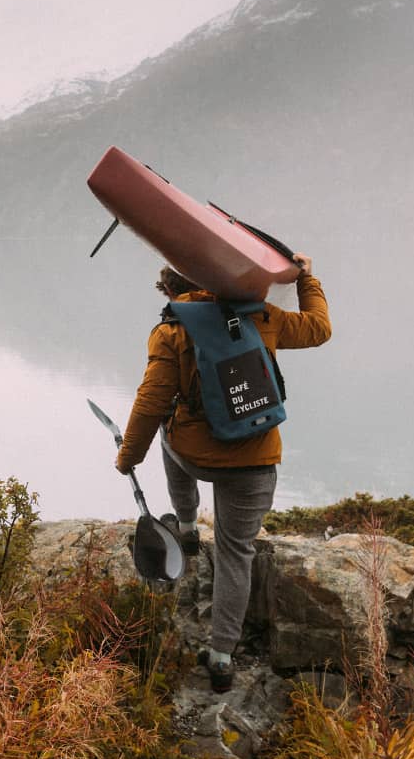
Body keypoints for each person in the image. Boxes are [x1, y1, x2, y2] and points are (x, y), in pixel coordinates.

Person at [115, 255, 330, 692]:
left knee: (167, 432)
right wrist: (307, 277)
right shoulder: (261, 316)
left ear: (172, 292)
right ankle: (221, 656)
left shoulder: (171, 330)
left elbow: (152, 402)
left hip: (195, 457)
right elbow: (319, 328)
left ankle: (189, 525)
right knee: (236, 552)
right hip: (255, 460)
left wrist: (127, 457)